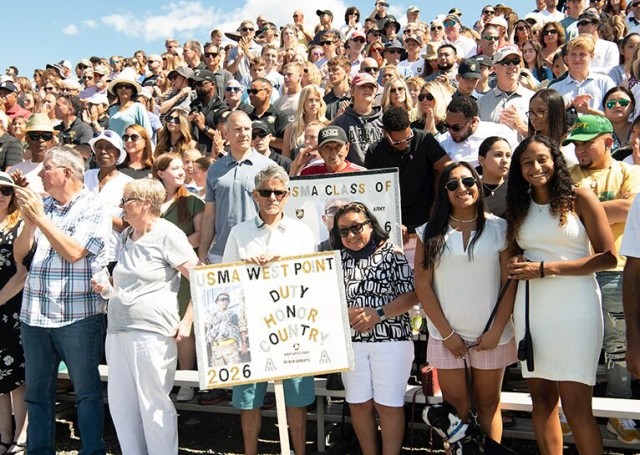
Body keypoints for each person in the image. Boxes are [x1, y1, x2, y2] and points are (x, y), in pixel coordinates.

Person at [505, 135, 617, 455]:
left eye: (542, 159)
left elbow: (608, 257)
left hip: (576, 307)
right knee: (541, 402)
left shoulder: (580, 197)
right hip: (532, 309)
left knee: (576, 406)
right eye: (527, 162)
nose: (536, 167)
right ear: (519, 169)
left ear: (556, 160)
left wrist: (546, 268)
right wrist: (515, 260)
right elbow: (515, 251)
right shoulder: (519, 205)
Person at [13, 147, 111, 455]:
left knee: (86, 393)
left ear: (67, 172)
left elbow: (73, 252)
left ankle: (91, 450)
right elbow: (20, 256)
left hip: (77, 316)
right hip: (34, 315)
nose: (40, 174)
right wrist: (30, 222)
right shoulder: (43, 206)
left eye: (47, 168)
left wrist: (40, 219)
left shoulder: (93, 207)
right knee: (37, 395)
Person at [93, 178, 197, 455]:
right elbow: (131, 284)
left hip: (151, 332)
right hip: (118, 329)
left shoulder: (168, 234)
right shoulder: (128, 236)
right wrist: (108, 289)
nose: (120, 206)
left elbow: (201, 278)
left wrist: (187, 321)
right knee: (122, 405)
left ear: (145, 203)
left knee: (153, 404)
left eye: (126, 200)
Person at [415, 161, 516, 443]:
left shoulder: (501, 228)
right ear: (444, 192)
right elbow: (422, 286)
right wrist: (447, 334)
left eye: (468, 181)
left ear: (478, 184)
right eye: (452, 184)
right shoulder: (428, 232)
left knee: (488, 406)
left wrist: (496, 331)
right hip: (446, 337)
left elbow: (509, 284)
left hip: (492, 336)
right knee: (456, 411)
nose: (462, 188)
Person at [223, 164, 315, 455]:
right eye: (266, 192)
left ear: (288, 195)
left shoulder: (303, 232)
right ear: (255, 195)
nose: (272, 197)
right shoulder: (239, 232)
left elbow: (313, 278)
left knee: (297, 397)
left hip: (294, 325)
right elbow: (224, 278)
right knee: (249, 399)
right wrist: (244, 268)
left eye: (278, 192)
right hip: (251, 324)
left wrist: (283, 261)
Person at [564, 115, 640, 443]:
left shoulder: (629, 171)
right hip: (578, 268)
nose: (579, 149)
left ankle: (618, 415)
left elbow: (631, 209)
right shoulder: (567, 175)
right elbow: (561, 213)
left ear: (608, 141)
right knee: (575, 342)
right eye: (576, 144)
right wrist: (603, 211)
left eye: (586, 142)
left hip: (616, 269)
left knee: (618, 347)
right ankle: (571, 411)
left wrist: (586, 211)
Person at [332, 201, 417, 455]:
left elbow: (413, 295)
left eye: (356, 227)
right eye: (344, 231)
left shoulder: (393, 253)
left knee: (389, 406)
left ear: (370, 223)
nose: (351, 235)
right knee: (358, 404)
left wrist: (379, 314)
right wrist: (342, 313)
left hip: (391, 342)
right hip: (352, 345)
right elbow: (323, 300)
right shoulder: (336, 259)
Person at [152, 153, 204, 402]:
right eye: (174, 168)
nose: (182, 171)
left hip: (181, 269)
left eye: (183, 167)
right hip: (155, 272)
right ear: (160, 173)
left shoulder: (193, 201)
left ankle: (186, 380)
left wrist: (172, 252)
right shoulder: (150, 202)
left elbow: (200, 234)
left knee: (184, 326)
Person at [198, 111, 275, 264]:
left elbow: (278, 213)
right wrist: (202, 254)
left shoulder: (269, 167)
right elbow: (209, 216)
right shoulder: (215, 169)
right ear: (226, 134)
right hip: (221, 253)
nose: (243, 134)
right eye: (238, 129)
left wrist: (273, 248)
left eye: (247, 129)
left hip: (259, 253)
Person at [366, 106, 450, 244]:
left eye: (408, 138)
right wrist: (394, 221)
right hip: (395, 220)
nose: (405, 144)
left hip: (427, 217)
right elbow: (374, 195)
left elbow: (448, 168)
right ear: (385, 134)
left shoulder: (424, 139)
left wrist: (438, 202)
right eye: (398, 142)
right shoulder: (374, 152)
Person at [0, 172, 27, 454]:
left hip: (13, 306)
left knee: (17, 375)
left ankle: (21, 436)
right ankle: (3, 436)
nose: (0, 195)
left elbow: (23, 273)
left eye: (6, 191)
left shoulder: (18, 224)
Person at [84, 131, 131, 271]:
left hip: (112, 255)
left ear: (118, 153)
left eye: (109, 147)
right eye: (99, 147)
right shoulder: (84, 177)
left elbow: (128, 226)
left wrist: (98, 215)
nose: (103, 151)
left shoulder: (128, 183)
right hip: (82, 250)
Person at [437, 96, 517, 168]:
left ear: (473, 121)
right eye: (447, 125)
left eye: (456, 128)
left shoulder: (501, 133)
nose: (451, 131)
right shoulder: (442, 142)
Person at [332, 72, 384, 167]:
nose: (367, 89)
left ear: (375, 92)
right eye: (362, 86)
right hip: (352, 176)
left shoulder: (384, 121)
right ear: (351, 91)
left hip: (381, 175)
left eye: (371, 87)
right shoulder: (340, 123)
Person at [282, 85, 328, 159]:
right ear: (303, 102)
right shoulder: (291, 128)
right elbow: (285, 159)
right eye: (310, 100)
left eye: (317, 100)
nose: (314, 103)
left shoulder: (327, 126)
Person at [300, 125, 366, 176]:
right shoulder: (308, 173)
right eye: (327, 147)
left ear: (347, 148)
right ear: (320, 151)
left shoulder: (361, 174)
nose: (333, 154)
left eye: (338, 147)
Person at [107, 72, 152, 138]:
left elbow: (147, 132)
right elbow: (110, 132)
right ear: (116, 90)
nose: (123, 89)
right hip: (115, 147)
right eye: (120, 86)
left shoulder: (138, 107)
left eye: (127, 87)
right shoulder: (112, 109)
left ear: (133, 91)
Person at [478, 136, 512, 218]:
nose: (505, 160)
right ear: (482, 160)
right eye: (498, 155)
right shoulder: (471, 190)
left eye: (508, 155)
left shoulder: (515, 190)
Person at [602, 86, 635, 153]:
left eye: (623, 102)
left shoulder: (637, 130)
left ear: (632, 106)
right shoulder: (598, 133)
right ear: (604, 109)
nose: (617, 106)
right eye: (611, 103)